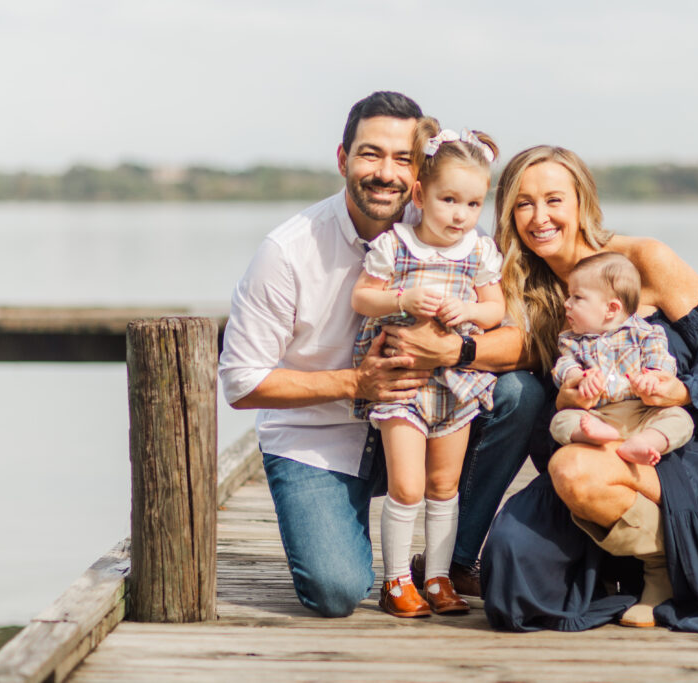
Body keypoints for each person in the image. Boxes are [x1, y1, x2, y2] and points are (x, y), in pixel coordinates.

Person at [218, 92, 544, 619]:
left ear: (421, 174)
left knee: (520, 393)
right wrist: (356, 383)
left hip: (433, 413)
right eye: (371, 154)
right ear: (343, 159)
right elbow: (239, 383)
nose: (385, 172)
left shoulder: (450, 224)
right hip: (320, 438)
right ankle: (386, 570)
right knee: (337, 589)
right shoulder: (288, 251)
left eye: (402, 158)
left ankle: (449, 565)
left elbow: (516, 341)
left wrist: (453, 347)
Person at [480, 145, 698, 633]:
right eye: (523, 203)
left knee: (574, 472)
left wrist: (679, 392)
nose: (539, 217)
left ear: (581, 203)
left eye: (554, 200)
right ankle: (659, 556)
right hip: (594, 439)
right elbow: (516, 368)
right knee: (510, 577)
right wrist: (568, 397)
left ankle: (675, 558)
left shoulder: (643, 261)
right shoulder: (522, 291)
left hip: (671, 445)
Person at [350, 119, 504, 617]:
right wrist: (403, 296)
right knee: (408, 486)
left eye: (473, 204)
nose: (461, 215)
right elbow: (362, 297)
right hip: (402, 381)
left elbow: (495, 308)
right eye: (449, 200)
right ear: (420, 193)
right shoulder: (396, 245)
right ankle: (395, 581)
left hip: (456, 386)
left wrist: (474, 314)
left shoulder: (479, 250)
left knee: (444, 487)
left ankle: (436, 577)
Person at [549, 251, 693, 473]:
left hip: (643, 411)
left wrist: (652, 377)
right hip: (598, 414)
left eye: (577, 297)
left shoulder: (645, 333)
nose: (567, 303)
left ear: (611, 308)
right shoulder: (572, 341)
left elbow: (661, 359)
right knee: (560, 421)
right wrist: (578, 379)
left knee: (681, 419)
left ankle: (645, 442)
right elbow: (564, 366)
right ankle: (593, 435)